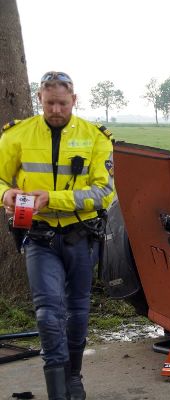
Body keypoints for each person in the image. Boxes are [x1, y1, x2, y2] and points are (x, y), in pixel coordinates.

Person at [0, 71, 115, 400]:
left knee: (78, 312)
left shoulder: (95, 138)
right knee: (48, 313)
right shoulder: (17, 135)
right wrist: (5, 195)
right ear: (40, 99)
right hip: (39, 237)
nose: (56, 110)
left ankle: (73, 378)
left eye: (62, 103)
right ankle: (57, 391)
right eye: (49, 103)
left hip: (81, 235)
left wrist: (54, 198)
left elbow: (104, 192)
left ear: (74, 101)